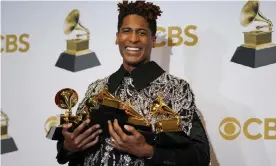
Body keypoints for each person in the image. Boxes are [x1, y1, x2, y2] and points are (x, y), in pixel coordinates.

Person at [55, 1, 210, 166]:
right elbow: (66, 150)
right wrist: (68, 146)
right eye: (126, 31)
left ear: (153, 39)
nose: (133, 39)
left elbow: (200, 156)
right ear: (117, 37)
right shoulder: (97, 88)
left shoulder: (176, 89)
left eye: (141, 32)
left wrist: (148, 151)